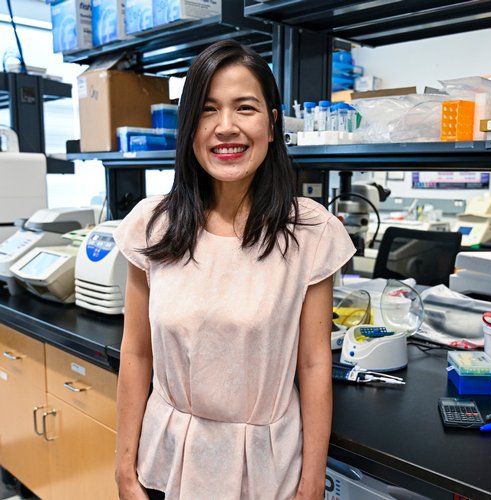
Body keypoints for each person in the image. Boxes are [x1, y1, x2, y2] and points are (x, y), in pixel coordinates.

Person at [113, 39, 355, 500]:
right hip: (165, 466)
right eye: (208, 110)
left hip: (266, 471)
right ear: (189, 127)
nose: (226, 128)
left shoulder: (310, 232)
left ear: (272, 121)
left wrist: (311, 484)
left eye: (245, 108)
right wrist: (125, 471)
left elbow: (314, 363)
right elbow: (136, 355)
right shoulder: (152, 226)